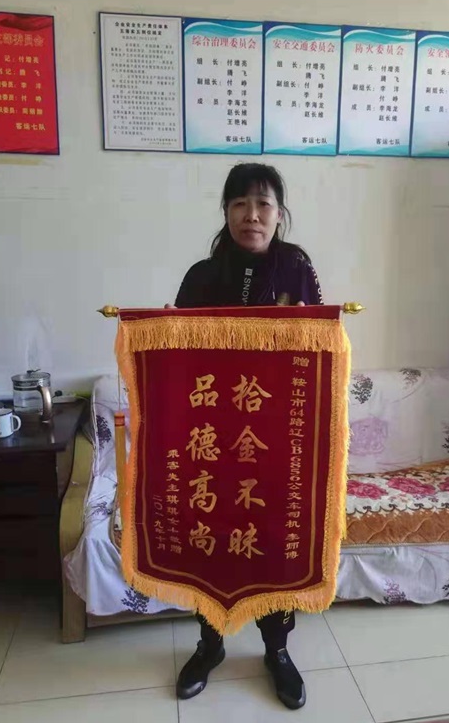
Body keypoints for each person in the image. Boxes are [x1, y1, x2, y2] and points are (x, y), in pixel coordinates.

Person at [167, 162, 323, 710]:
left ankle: (276, 651)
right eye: (239, 204)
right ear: (226, 211)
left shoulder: (296, 268)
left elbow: (321, 350)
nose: (251, 215)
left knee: (274, 540)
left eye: (263, 204)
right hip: (212, 438)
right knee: (209, 537)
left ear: (279, 213)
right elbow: (175, 358)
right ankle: (209, 645)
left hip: (275, 438)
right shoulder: (200, 275)